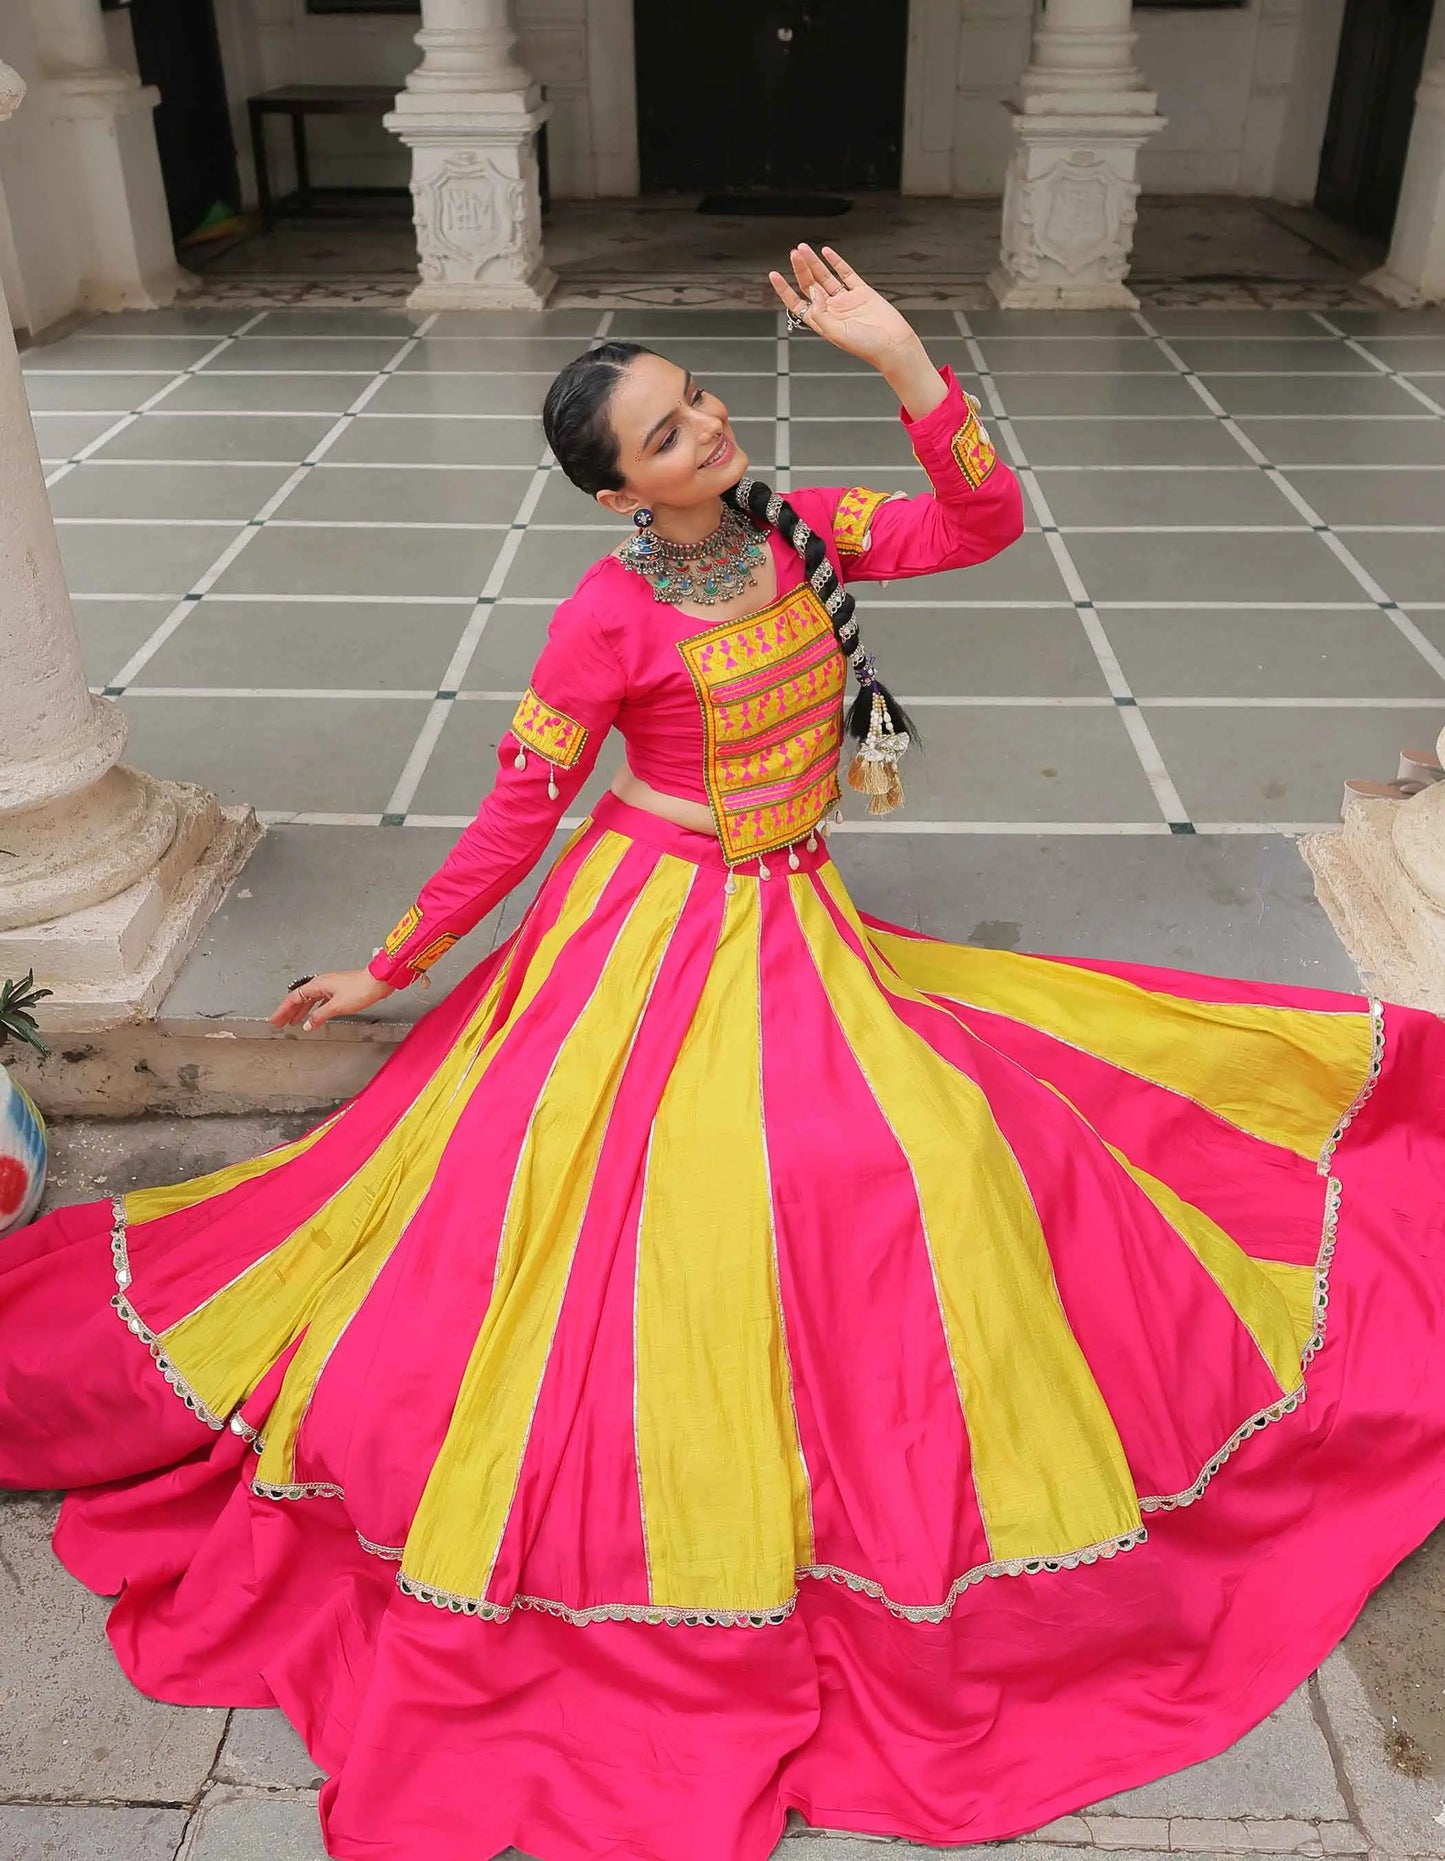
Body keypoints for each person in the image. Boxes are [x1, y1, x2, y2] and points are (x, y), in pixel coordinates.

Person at [2, 246, 1442, 1861]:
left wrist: (903, 360)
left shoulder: (799, 526)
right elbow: (515, 817)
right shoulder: (602, 620)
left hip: (800, 913)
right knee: (682, 1207)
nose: (707, 436)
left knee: (950, 1144)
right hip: (652, 930)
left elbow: (980, 527)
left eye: (698, 409)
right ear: (613, 488)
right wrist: (390, 962)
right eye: (670, 435)